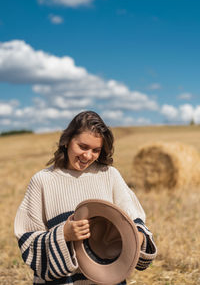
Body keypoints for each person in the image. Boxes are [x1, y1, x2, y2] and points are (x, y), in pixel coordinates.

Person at [14, 110, 157, 285]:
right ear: (66, 141)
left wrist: (135, 237)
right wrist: (63, 235)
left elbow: (136, 223)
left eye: (96, 150)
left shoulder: (109, 175)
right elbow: (28, 241)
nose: (88, 156)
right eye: (82, 146)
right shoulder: (42, 181)